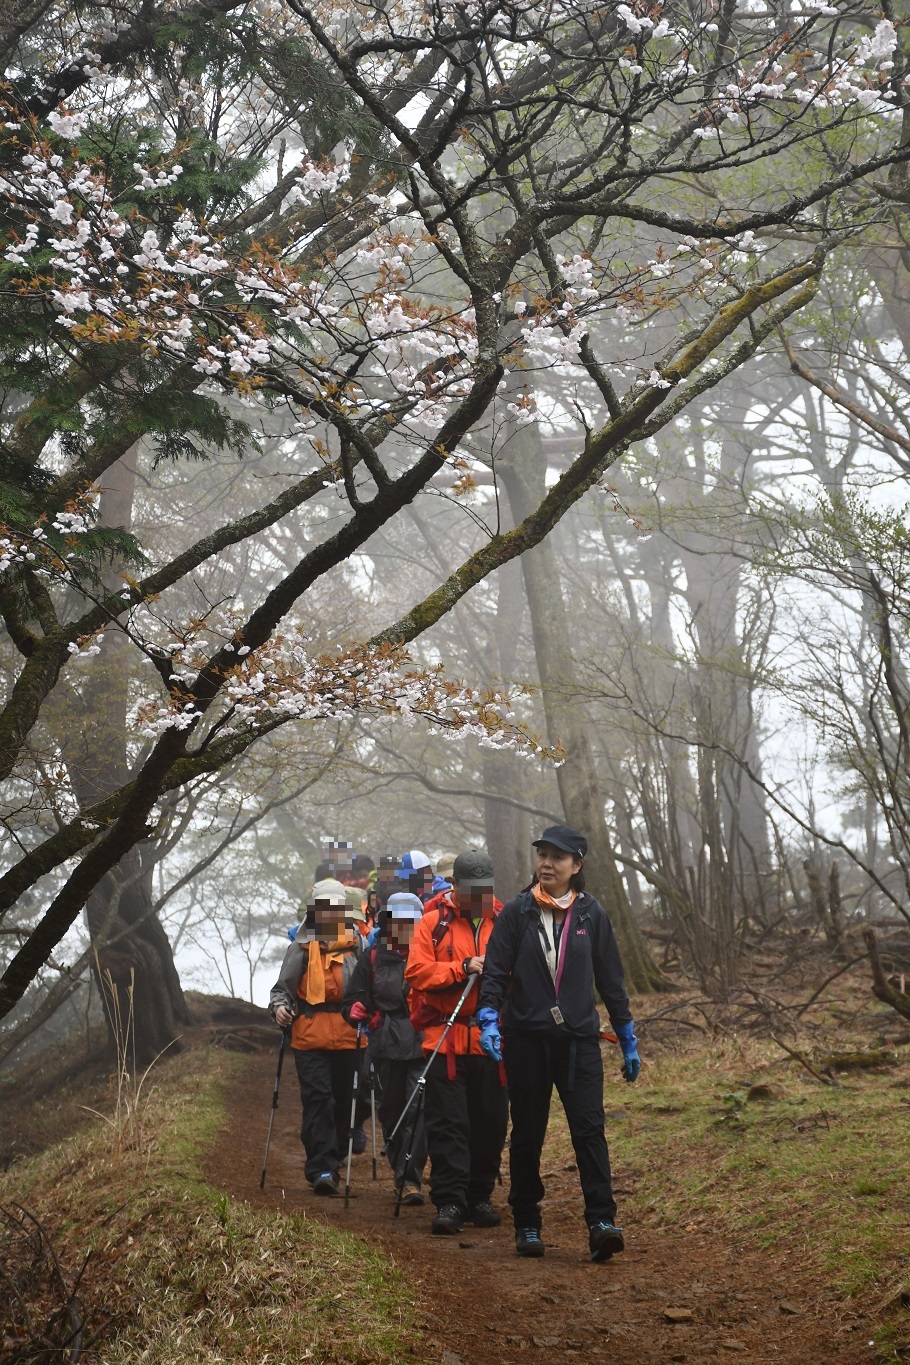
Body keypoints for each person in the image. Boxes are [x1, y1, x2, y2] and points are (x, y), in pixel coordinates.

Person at [477, 825, 641, 1263]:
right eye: (542, 855)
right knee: (528, 1133)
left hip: (579, 1042)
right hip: (526, 1041)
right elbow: (494, 971)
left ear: (577, 865)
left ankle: (602, 1222)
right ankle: (527, 1222)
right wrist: (489, 1018)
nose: (547, 863)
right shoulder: (516, 912)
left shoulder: (592, 915)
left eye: (558, 857)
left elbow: (611, 981)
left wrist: (626, 1037)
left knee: (589, 1130)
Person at [404, 848, 508, 1235]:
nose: (479, 896)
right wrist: (460, 968)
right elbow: (416, 972)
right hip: (444, 1037)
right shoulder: (432, 923)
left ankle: (479, 1196)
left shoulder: (507, 921)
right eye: (472, 889)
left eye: (486, 888)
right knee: (449, 1124)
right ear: (457, 888)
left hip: (492, 1040)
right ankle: (449, 1201)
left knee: (491, 1123)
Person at [269, 878, 363, 1196]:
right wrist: (281, 1008)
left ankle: (333, 1157)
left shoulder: (357, 945)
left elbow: (367, 987)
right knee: (318, 1100)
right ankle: (322, 1168)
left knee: (345, 1101)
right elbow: (282, 990)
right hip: (310, 1034)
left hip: (350, 1035)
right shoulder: (300, 947)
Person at [343, 890, 428, 1206]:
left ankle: (408, 1179)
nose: (404, 928)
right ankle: (402, 1171)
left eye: (411, 922)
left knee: (418, 1108)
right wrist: (353, 1010)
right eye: (398, 922)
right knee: (391, 1110)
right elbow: (354, 997)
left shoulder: (429, 955)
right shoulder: (373, 957)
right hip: (385, 1044)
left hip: (422, 1042)